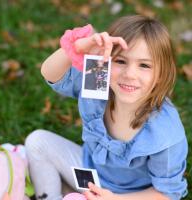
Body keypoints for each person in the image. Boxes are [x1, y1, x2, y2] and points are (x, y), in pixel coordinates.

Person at [25, 15, 188, 200]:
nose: (130, 74)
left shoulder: (165, 135)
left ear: (161, 74)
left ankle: (68, 191)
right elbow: (50, 74)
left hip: (129, 196)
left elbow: (167, 193)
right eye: (120, 61)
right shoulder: (99, 80)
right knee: (37, 141)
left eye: (144, 65)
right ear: (107, 59)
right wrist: (74, 49)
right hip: (88, 172)